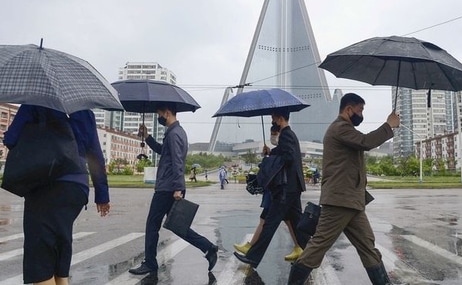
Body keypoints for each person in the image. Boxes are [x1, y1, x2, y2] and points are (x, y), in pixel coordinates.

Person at [287, 93, 400, 285]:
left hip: (352, 201)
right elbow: (366, 142)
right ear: (349, 109)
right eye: (360, 110)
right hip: (340, 200)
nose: (361, 114)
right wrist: (388, 125)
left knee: (367, 246)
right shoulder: (340, 128)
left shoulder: (346, 130)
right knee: (318, 246)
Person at [3, 104, 111, 285]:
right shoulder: (85, 112)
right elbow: (95, 154)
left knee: (41, 259)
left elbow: (12, 139)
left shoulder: (34, 103)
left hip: (47, 183)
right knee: (59, 252)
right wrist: (102, 194)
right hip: (77, 188)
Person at [129, 103, 218, 276]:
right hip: (171, 186)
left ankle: (150, 263)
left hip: (168, 188)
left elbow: (177, 161)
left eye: (159, 114)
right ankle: (208, 248)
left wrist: (178, 188)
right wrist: (147, 137)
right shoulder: (175, 132)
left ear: (167, 113)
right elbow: (164, 152)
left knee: (152, 224)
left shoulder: (174, 133)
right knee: (178, 226)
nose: (159, 118)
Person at [234, 108, 309, 268]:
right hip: (293, 187)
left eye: (273, 118)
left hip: (286, 188)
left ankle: (253, 257)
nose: (272, 121)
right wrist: (271, 151)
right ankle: (310, 254)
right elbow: (286, 153)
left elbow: (288, 157)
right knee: (296, 223)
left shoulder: (286, 134)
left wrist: (272, 157)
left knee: (270, 222)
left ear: (280, 118)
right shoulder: (290, 134)